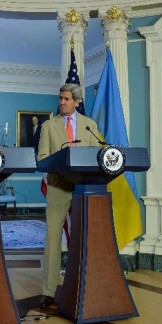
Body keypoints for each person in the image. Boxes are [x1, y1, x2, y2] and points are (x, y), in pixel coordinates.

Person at [36, 83, 103, 308]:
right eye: (60, 98)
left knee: (86, 235)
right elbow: (42, 157)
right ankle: (49, 290)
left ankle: (87, 283)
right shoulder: (48, 126)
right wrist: (61, 160)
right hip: (58, 185)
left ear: (77, 101)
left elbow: (98, 155)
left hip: (84, 187)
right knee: (53, 237)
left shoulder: (90, 125)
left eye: (66, 99)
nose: (62, 102)